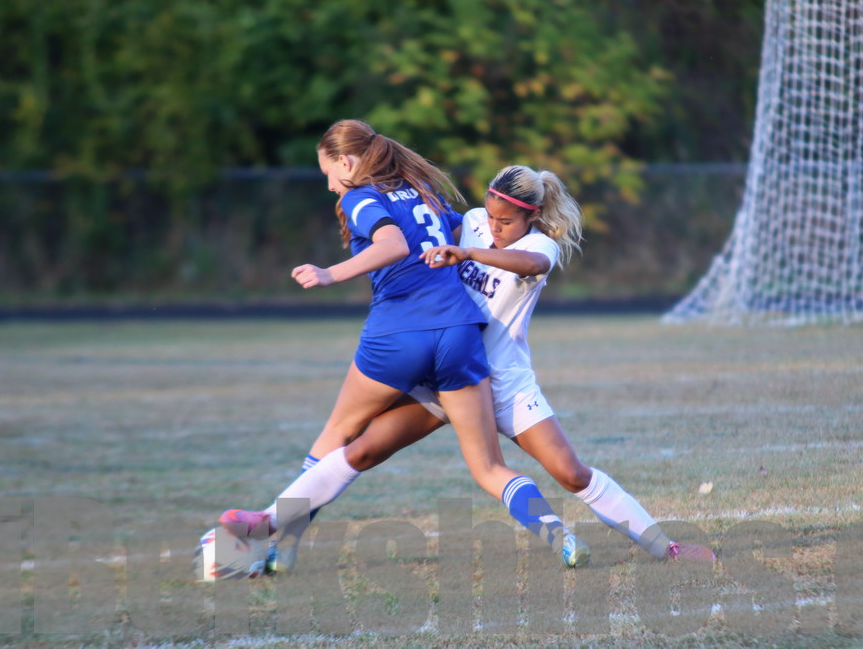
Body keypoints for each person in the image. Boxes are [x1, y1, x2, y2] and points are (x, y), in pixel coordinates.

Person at [264, 163, 713, 574]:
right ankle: (272, 530)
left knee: (572, 473)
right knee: (361, 450)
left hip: (503, 383)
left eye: (506, 222)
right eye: (492, 217)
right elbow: (424, 228)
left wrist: (469, 255)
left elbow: (531, 264)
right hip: (448, 375)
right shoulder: (474, 221)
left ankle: (665, 547)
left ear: (531, 216)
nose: (495, 228)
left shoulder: (539, 245)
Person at [218, 120, 589, 572]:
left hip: (398, 334)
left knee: (341, 432)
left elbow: (392, 245)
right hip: (460, 335)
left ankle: (283, 541)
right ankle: (561, 537)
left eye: (329, 173)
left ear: (346, 162)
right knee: (488, 468)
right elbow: (461, 231)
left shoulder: (360, 196)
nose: (330, 185)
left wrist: (330, 273)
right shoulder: (422, 189)